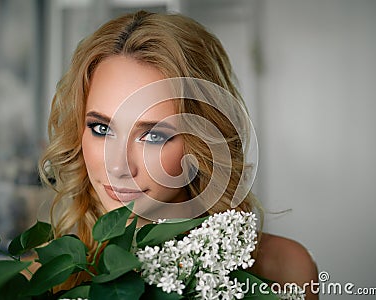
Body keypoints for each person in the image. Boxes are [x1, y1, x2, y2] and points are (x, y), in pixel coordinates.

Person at [39, 10, 318, 298]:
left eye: (154, 136)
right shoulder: (39, 278)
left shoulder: (284, 269)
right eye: (101, 128)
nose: (118, 166)